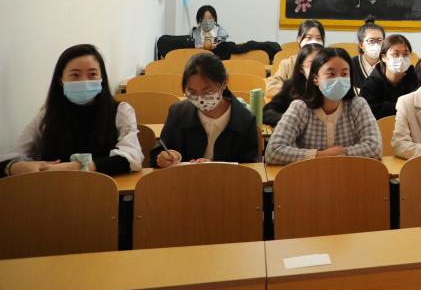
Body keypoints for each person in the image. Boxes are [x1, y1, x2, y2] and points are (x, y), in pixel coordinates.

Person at [1, 44, 142, 177]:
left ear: (102, 78)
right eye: (75, 75)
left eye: (92, 74)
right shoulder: (47, 115)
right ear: (61, 80)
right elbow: (12, 156)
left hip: (103, 189)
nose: (84, 81)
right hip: (54, 189)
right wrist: (18, 167)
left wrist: (77, 167)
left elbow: (132, 158)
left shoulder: (121, 111)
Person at [265, 48, 382, 164]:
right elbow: (273, 151)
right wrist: (320, 155)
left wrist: (342, 153)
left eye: (344, 74)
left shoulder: (358, 105)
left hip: (348, 173)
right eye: (331, 74)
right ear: (315, 79)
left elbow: (375, 147)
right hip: (309, 174)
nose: (339, 79)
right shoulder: (300, 108)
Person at [151, 53, 259, 166]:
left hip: (226, 177)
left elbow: (249, 167)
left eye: (208, 92)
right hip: (184, 177)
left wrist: (213, 167)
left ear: (224, 84)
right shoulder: (178, 113)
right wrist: (165, 157)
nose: (200, 98)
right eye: (192, 92)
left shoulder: (245, 120)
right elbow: (157, 153)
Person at [360, 35, 421, 120]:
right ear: (383, 57)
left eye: (405, 54)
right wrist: (401, 106)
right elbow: (366, 111)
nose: (401, 58)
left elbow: (420, 108)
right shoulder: (371, 83)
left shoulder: (416, 80)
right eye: (395, 54)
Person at [262, 43, 323, 127]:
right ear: (301, 69)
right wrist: (291, 120)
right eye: (312, 63)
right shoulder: (291, 86)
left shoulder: (333, 88)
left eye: (323, 63)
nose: (318, 68)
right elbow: (267, 112)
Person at [266, 19, 326, 97]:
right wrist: (296, 92)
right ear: (299, 39)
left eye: (318, 38)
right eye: (309, 37)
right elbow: (271, 86)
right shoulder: (288, 63)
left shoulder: (329, 62)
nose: (313, 42)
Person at [351, 16, 385, 93]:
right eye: (371, 41)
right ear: (361, 45)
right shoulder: (351, 64)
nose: (376, 44)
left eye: (379, 40)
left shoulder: (388, 64)